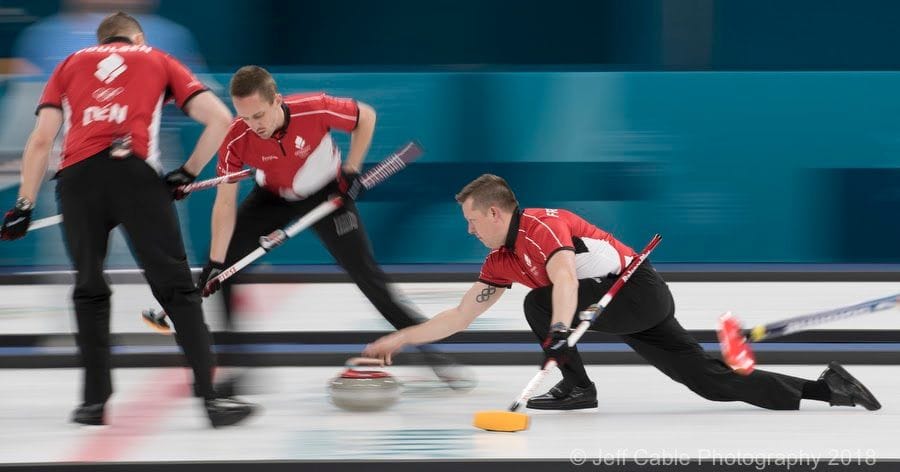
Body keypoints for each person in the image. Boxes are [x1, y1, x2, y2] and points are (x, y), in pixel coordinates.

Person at [363, 174, 881, 412]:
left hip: (634, 293)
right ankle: (828, 389)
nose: (470, 230)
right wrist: (402, 340)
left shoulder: (542, 226)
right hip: (614, 304)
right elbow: (458, 316)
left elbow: (563, 277)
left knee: (538, 302)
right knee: (708, 381)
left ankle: (577, 388)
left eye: (472, 221)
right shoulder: (499, 260)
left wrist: (560, 333)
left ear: (496, 212)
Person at [144, 65, 472, 389]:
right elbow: (225, 204)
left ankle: (431, 352)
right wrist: (215, 264)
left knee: (369, 279)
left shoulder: (313, 108)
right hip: (272, 196)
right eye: (244, 117)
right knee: (225, 268)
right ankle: (240, 364)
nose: (252, 125)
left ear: (277, 101)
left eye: (258, 115)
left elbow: (366, 116)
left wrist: (352, 169)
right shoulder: (236, 137)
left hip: (328, 192)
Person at [0, 12, 255, 427]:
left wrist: (23, 207)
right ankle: (211, 402)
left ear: (101, 41)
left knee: (89, 289)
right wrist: (186, 172)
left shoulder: (67, 64)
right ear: (137, 37)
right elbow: (221, 120)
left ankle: (93, 405)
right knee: (177, 293)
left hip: (77, 182)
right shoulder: (156, 57)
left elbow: (42, 139)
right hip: (137, 178)